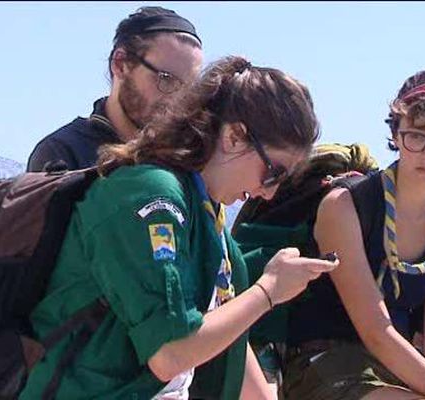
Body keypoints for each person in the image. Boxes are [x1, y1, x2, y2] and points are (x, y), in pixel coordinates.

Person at [19, 56, 338, 400]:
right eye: (274, 172)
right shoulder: (150, 196)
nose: (271, 191)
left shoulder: (204, 213)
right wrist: (269, 291)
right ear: (233, 136)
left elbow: (226, 335)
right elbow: (169, 353)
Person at [276, 68, 425, 400]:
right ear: (397, 134)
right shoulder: (346, 206)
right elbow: (376, 332)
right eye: (416, 135)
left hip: (399, 368)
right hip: (328, 362)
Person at [26, 6, 203, 172]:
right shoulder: (62, 153)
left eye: (188, 89)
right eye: (166, 79)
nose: (176, 99)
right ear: (120, 64)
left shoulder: (188, 162)